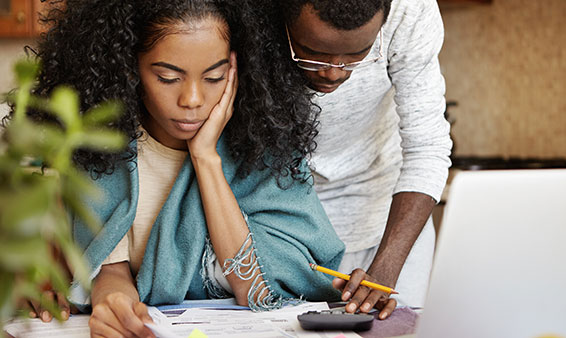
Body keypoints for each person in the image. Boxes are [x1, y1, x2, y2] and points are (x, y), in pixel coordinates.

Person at [13, 0, 345, 335]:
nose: (192, 99)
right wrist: (114, 307)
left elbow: (257, 291)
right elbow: (110, 271)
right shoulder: (98, 147)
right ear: (129, 68)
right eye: (168, 77)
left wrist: (205, 159)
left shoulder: (266, 148)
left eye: (214, 77)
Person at [280, 0, 452, 320]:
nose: (333, 73)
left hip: (388, 218)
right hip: (281, 220)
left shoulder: (409, 9)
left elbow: (426, 148)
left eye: (357, 54)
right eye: (311, 51)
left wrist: (385, 270)